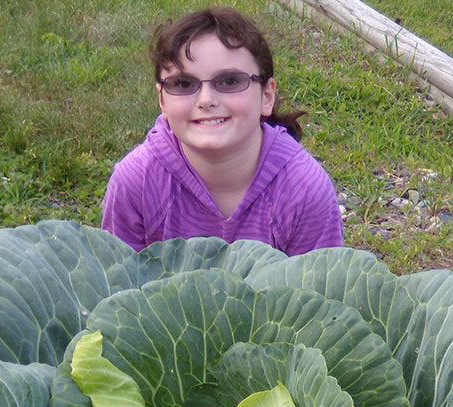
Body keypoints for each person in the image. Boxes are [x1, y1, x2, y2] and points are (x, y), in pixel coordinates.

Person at [101, 6, 343, 255]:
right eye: (184, 83)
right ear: (162, 100)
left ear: (267, 96)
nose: (206, 100)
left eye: (229, 81)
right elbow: (118, 282)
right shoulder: (137, 182)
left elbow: (318, 290)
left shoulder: (304, 189)